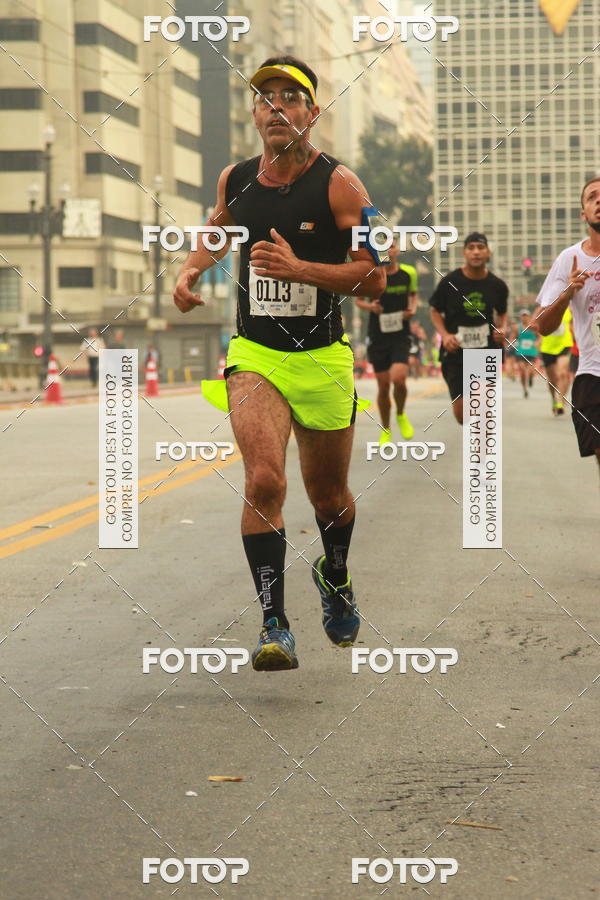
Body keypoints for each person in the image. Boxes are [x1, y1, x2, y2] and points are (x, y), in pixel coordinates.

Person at [173, 55, 385, 670]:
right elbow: (218, 230)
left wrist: (301, 270)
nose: (275, 107)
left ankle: (336, 574)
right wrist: (190, 270)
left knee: (329, 496)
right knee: (265, 479)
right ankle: (274, 622)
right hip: (256, 354)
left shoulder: (343, 185)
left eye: (290, 98)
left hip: (321, 357)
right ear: (254, 114)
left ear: (311, 113)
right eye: (265, 98)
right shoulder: (235, 178)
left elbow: (377, 276)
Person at [534, 176, 600, 471]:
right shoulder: (569, 259)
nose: (599, 200)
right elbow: (543, 325)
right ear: (583, 213)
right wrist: (567, 293)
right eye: (592, 197)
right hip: (592, 372)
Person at [429, 233, 509, 424]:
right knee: (463, 415)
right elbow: (434, 310)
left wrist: (502, 329)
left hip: (486, 351)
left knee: (482, 406)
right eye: (471, 248)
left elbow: (503, 313)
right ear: (464, 253)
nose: (476, 252)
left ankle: (480, 449)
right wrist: (445, 335)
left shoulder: (497, 285)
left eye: (480, 248)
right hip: (455, 353)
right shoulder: (450, 282)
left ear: (488, 252)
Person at [355, 240, 418, 443]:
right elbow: (358, 300)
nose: (389, 250)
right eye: (384, 247)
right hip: (378, 336)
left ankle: (400, 413)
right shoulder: (373, 273)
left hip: (400, 334)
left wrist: (413, 309)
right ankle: (386, 428)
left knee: (398, 380)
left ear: (397, 249)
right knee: (383, 386)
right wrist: (371, 308)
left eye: (392, 246)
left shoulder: (409, 273)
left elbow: (413, 295)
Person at [535, 306, 573, 416]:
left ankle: (560, 400)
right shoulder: (544, 307)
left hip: (564, 345)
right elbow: (535, 323)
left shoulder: (569, 309)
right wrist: (539, 337)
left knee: (562, 373)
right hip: (547, 348)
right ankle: (554, 399)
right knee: (552, 379)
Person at [513, 309, 539, 397]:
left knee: (531, 371)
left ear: (529, 317)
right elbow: (513, 337)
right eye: (522, 316)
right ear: (520, 317)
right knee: (522, 372)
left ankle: (531, 377)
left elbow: (540, 336)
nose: (524, 317)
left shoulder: (534, 327)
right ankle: (525, 389)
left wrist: (538, 343)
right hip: (521, 351)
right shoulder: (517, 327)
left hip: (532, 351)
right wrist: (512, 342)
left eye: (526, 316)